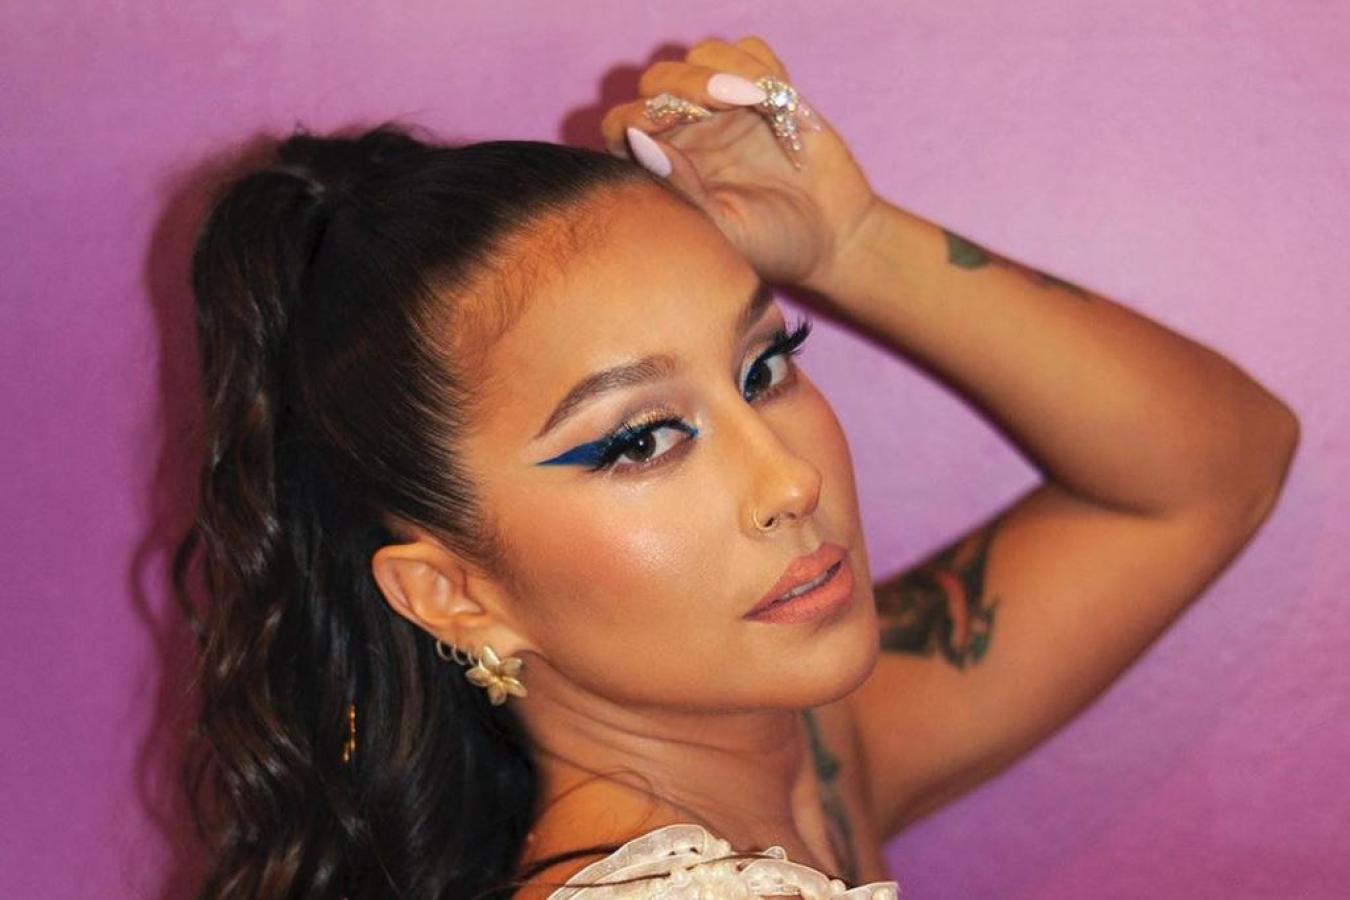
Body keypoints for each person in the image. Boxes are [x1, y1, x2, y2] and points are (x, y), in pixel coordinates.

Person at [172, 34, 1299, 899]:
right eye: (640, 440)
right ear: (453, 594)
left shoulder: (802, 755)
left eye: (765, 367)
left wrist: (851, 241)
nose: (790, 482)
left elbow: (1212, 471)